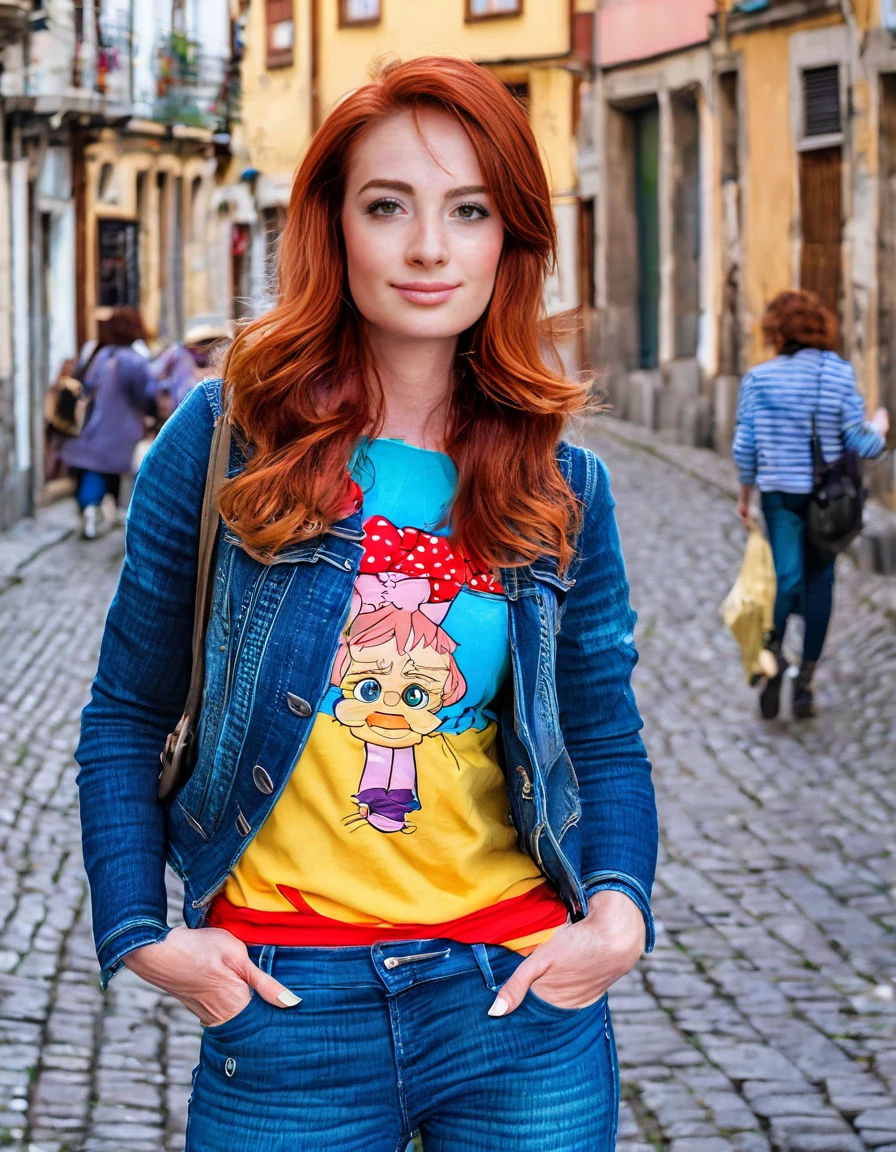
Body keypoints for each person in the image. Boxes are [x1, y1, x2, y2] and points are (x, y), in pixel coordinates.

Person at [76, 57, 658, 1152]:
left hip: (516, 1006)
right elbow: (122, 717)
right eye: (387, 206)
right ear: (333, 228)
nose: (428, 247)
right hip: (287, 1011)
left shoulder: (560, 485)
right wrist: (142, 936)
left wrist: (616, 917)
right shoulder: (222, 442)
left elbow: (600, 735)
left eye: (468, 210)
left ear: (510, 239)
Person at [733, 289, 889, 720]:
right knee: (821, 585)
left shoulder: (759, 379)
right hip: (829, 500)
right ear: (819, 326)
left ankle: (773, 656)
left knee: (786, 578)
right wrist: (880, 426)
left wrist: (744, 498)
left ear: (775, 331)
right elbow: (863, 444)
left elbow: (745, 448)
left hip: (780, 496)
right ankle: (804, 683)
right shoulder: (836, 373)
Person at [61, 306, 154, 539]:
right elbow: (146, 394)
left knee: (96, 465)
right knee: (106, 467)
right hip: (123, 426)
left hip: (97, 423)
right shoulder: (135, 360)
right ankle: (107, 511)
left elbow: (88, 385)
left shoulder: (103, 356)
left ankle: (94, 509)